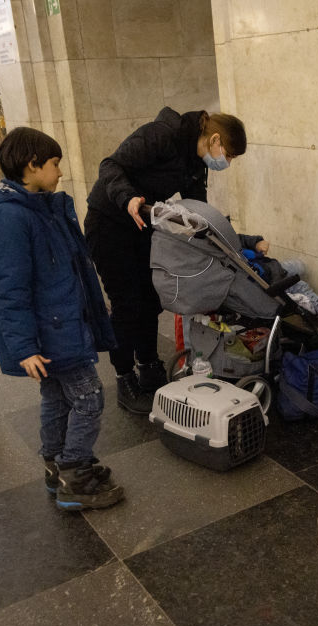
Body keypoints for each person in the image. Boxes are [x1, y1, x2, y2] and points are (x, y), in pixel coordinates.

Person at [0, 127, 124, 511]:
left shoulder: (41, 205)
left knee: (57, 397)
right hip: (51, 332)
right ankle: (74, 472)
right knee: (89, 398)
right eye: (55, 164)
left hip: (61, 323)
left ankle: (56, 465)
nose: (60, 172)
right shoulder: (9, 218)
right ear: (31, 166)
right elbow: (7, 289)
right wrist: (23, 348)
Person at [84, 108, 247, 414]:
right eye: (229, 153)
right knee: (126, 303)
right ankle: (124, 376)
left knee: (150, 297)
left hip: (143, 224)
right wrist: (128, 196)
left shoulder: (196, 163)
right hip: (109, 223)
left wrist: (222, 238)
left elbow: (198, 208)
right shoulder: (162, 135)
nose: (228, 161)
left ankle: (148, 364)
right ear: (214, 139)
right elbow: (110, 166)